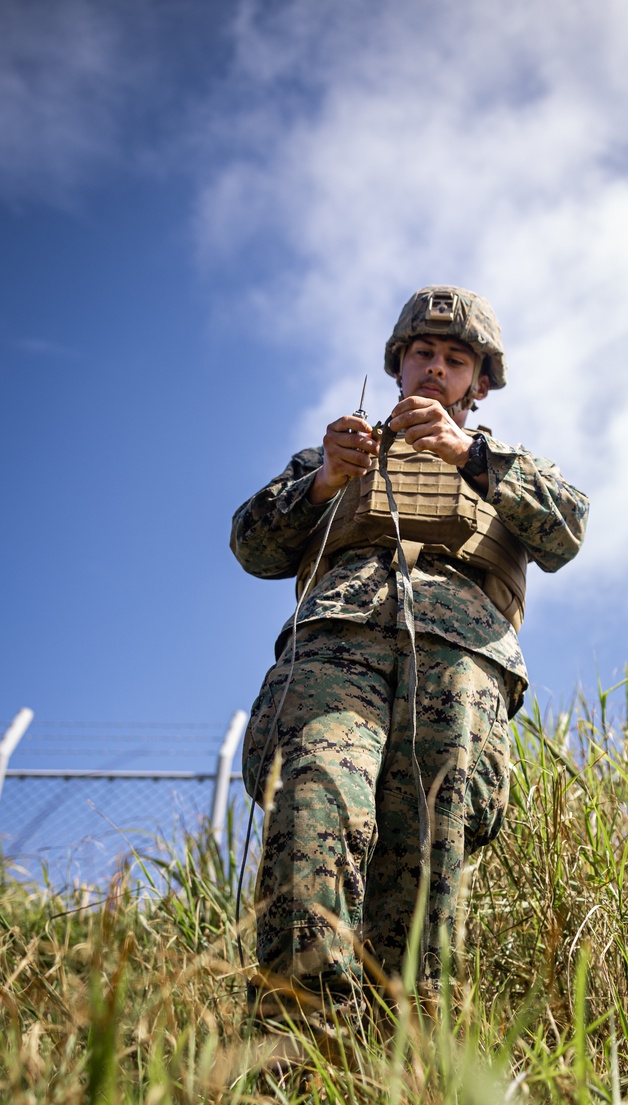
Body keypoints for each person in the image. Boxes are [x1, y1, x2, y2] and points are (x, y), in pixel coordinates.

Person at [231, 285, 588, 1023]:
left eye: (456, 359)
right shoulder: (332, 457)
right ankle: (296, 1054)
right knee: (312, 813)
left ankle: (408, 1080)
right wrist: (327, 479)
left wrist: (469, 457)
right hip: (338, 649)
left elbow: (567, 531)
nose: (436, 368)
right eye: (422, 353)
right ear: (397, 365)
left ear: (478, 382)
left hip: (460, 662)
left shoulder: (505, 466)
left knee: (431, 859)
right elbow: (252, 545)